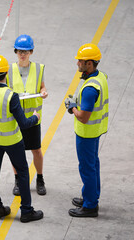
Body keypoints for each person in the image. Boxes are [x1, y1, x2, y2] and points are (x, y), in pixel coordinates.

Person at [0, 54, 44, 223]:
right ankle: (27, 211)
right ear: (6, 72)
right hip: (12, 141)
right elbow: (24, 123)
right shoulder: (10, 95)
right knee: (22, 173)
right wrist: (35, 117)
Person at [65, 43, 109, 217]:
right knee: (93, 164)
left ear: (90, 63)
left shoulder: (90, 89)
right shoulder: (101, 77)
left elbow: (83, 116)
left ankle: (90, 206)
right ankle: (91, 196)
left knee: (87, 168)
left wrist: (72, 107)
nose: (78, 64)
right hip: (96, 131)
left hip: (87, 133)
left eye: (81, 61)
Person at [6, 34, 48, 196]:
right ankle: (18, 180)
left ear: (31, 52)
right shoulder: (9, 70)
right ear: (16, 52)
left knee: (36, 150)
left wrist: (43, 92)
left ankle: (40, 178)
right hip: (16, 119)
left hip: (33, 118)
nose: (22, 54)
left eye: (26, 51)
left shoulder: (38, 69)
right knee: (17, 151)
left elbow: (42, 87)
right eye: (19, 51)